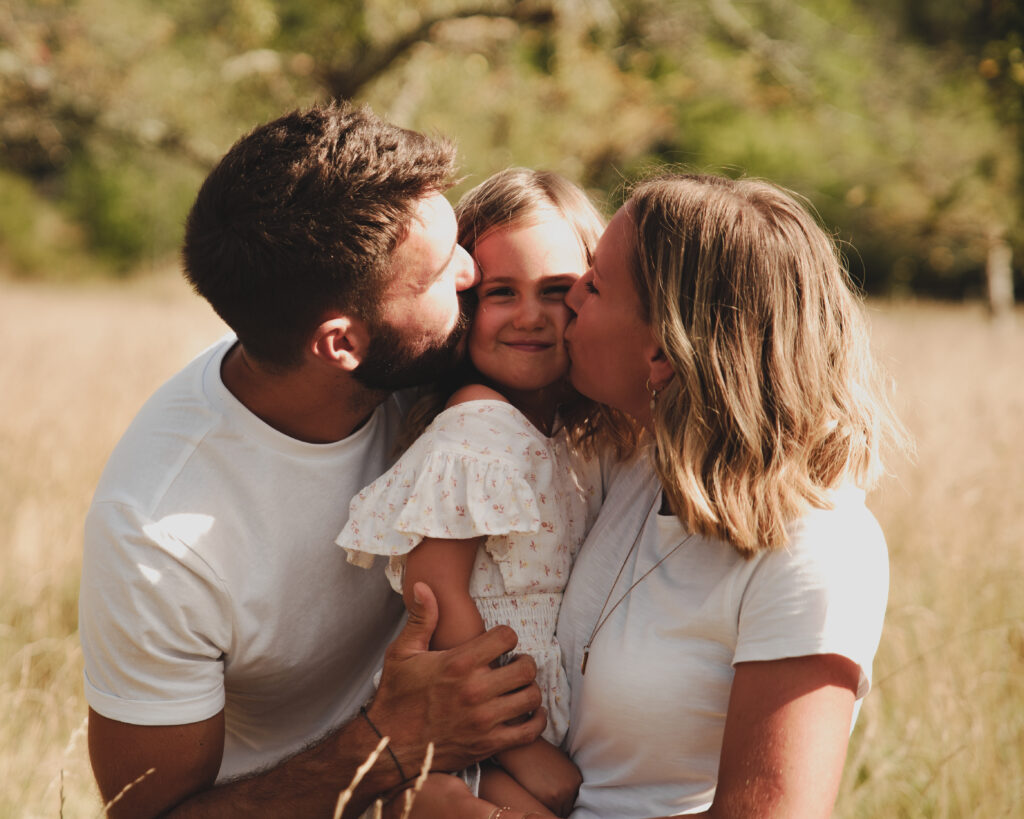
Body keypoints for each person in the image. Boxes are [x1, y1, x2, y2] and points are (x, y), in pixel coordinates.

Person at [78, 102, 547, 819]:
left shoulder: (427, 361)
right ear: (340, 343)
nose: (470, 273)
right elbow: (148, 814)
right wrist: (391, 742)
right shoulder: (158, 537)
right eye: (433, 275)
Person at [401, 172, 906, 818]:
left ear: (663, 352)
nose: (569, 299)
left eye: (593, 284)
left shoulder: (814, 549)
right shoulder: (628, 466)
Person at [338, 168, 627, 818]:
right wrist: (521, 748)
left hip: (527, 715)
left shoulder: (570, 435)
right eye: (502, 292)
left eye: (557, 290)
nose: (531, 316)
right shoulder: (478, 423)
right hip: (477, 728)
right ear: (466, 304)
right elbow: (435, 592)